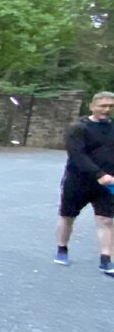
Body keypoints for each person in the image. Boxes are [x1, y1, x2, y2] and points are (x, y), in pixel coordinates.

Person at [54, 91, 114, 276]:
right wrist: (98, 174)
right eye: (103, 106)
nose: (107, 109)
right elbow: (77, 155)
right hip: (78, 181)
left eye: (111, 106)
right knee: (68, 216)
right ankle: (62, 249)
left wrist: (107, 177)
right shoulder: (79, 128)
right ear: (92, 106)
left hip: (107, 183)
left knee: (107, 220)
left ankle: (106, 260)